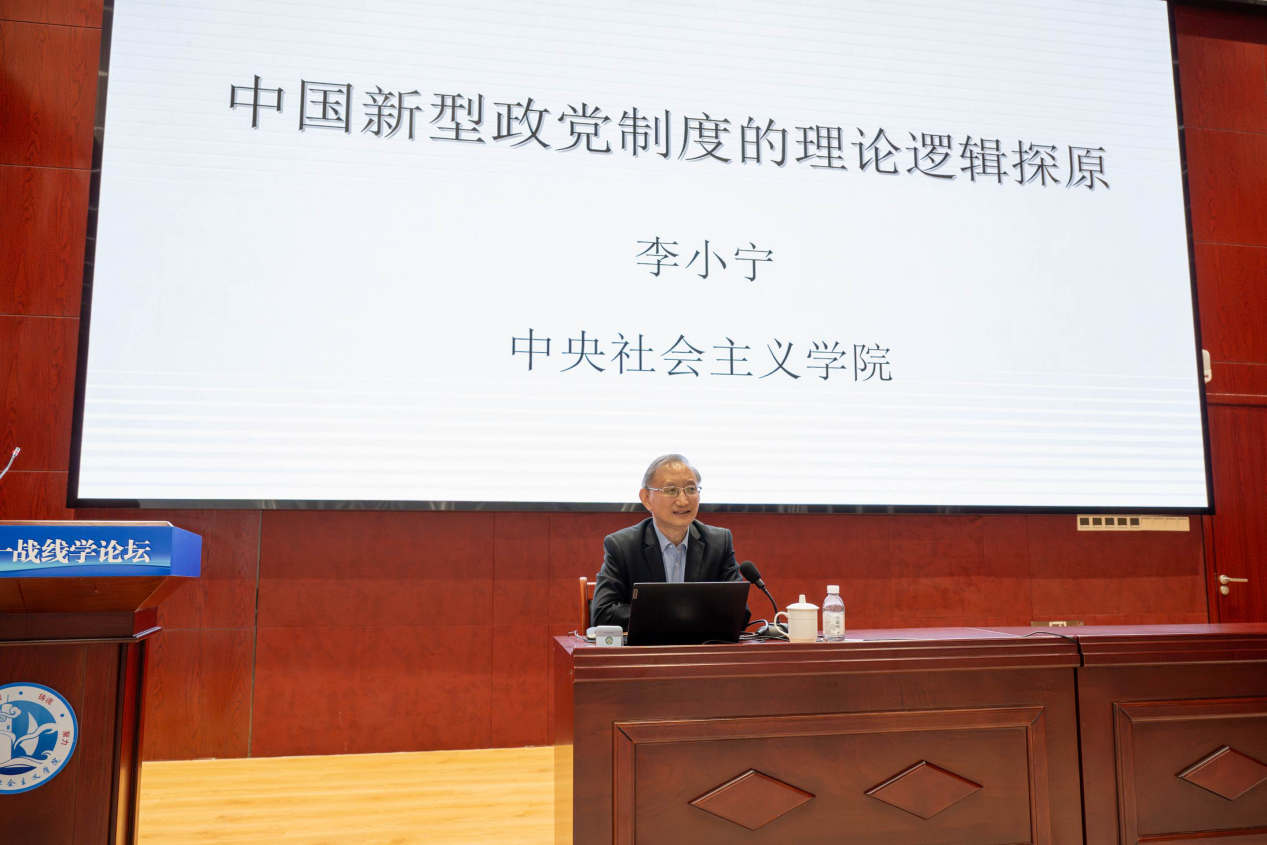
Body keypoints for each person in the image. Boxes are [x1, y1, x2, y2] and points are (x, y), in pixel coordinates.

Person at [590, 453, 744, 629]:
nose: (683, 501)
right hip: (648, 646)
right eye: (671, 490)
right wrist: (676, 614)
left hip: (700, 646)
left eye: (691, 489)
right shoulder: (623, 547)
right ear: (646, 499)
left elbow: (739, 612)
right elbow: (603, 614)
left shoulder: (718, 543)